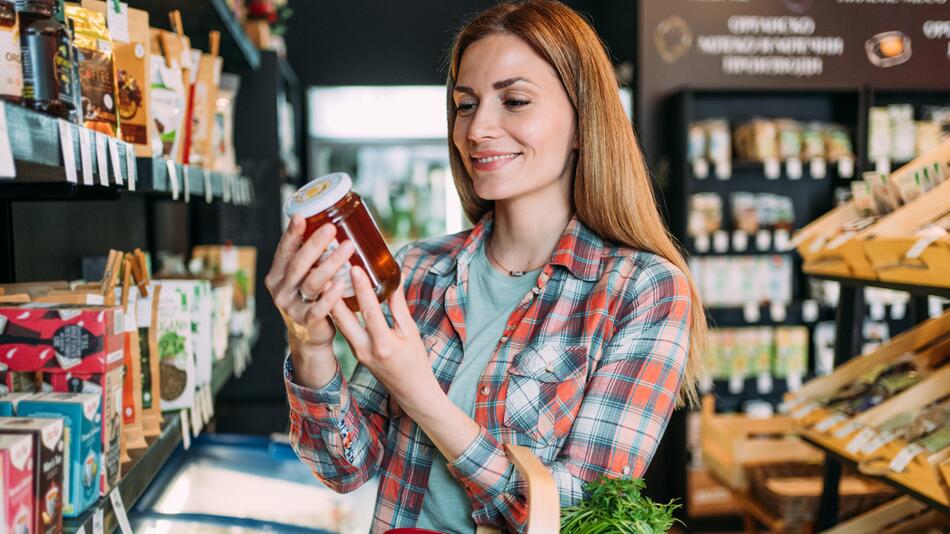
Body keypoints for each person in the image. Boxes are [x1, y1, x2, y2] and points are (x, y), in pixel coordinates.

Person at [265, 1, 707, 532]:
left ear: (582, 124)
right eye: (466, 105)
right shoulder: (420, 269)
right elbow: (345, 467)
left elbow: (583, 517)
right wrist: (309, 348)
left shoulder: (643, 291)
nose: (477, 130)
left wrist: (423, 397)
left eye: (514, 101)